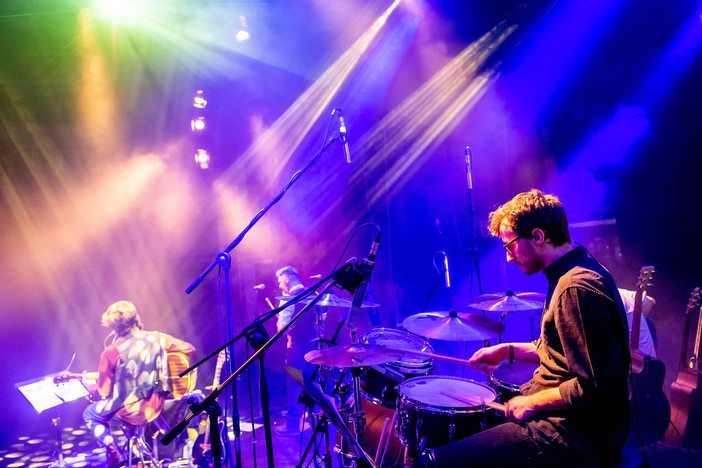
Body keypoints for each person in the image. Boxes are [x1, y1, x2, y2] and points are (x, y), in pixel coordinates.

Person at [415, 189, 630, 467]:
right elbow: (555, 351)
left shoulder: (575, 287)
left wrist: (532, 403)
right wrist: (505, 351)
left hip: (574, 434)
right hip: (570, 423)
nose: (508, 257)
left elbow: (595, 388)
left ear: (538, 237)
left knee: (430, 463)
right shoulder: (572, 271)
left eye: (510, 245)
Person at [82, 300, 195, 468]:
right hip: (155, 406)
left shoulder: (111, 351)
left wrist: (86, 384)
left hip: (129, 412)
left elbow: (103, 392)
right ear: (136, 318)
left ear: (115, 327)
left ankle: (114, 450)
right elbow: (189, 348)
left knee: (90, 414)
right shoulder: (158, 338)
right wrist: (167, 365)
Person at [274, 266, 318, 434]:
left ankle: (293, 425)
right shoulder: (313, 294)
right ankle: (311, 420)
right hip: (314, 346)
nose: (279, 285)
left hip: (296, 348)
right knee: (312, 383)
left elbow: (282, 330)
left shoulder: (287, 299)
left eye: (280, 281)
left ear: (286, 279)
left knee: (294, 384)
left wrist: (280, 321)